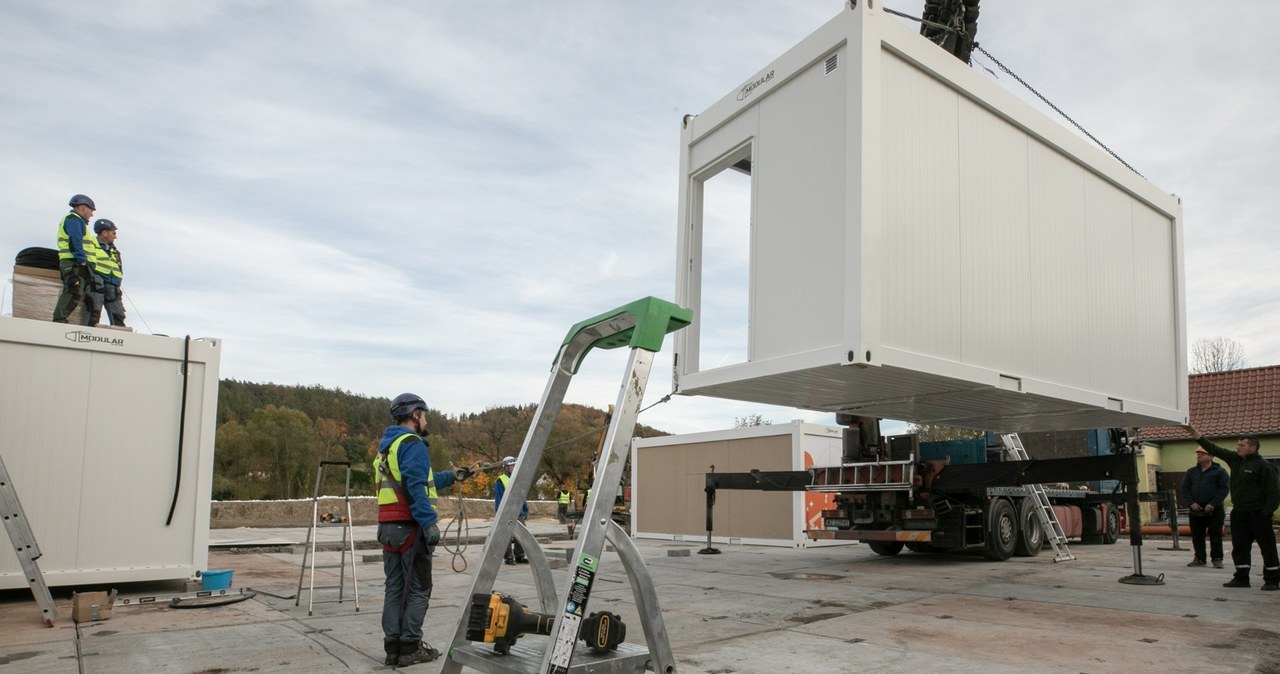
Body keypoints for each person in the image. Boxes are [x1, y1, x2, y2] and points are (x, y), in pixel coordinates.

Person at [373, 393, 471, 666]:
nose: (426, 420)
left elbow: (420, 479)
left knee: (394, 588)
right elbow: (416, 487)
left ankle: (393, 648)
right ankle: (410, 648)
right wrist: (428, 522)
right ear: (415, 415)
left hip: (388, 529)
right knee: (418, 589)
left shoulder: (387, 448)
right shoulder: (413, 443)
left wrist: (452, 476)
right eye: (424, 415)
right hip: (410, 529)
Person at [1184, 424, 1280, 590]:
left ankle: (1272, 580)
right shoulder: (1235, 460)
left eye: (1241, 445)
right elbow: (1213, 448)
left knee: (1267, 547)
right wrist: (1194, 433)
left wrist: (1266, 513)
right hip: (1240, 513)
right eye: (1237, 445)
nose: (1238, 448)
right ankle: (1242, 578)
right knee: (1240, 546)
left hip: (1258, 513)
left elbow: (1274, 493)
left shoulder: (1264, 466)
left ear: (1253, 447)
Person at [1179, 446, 1229, 568]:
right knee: (1197, 535)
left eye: (1202, 453)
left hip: (1214, 510)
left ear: (1211, 456)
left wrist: (1213, 504)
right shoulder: (1191, 472)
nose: (1199, 455)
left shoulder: (1220, 472)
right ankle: (1199, 558)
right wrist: (1191, 503)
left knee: (1215, 535)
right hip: (1196, 509)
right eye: (1198, 453)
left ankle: (1217, 558)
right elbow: (1184, 489)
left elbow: (1224, 489)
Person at [52, 194, 96, 323]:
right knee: (73, 291)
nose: (91, 215)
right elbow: (75, 240)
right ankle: (59, 319)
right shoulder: (74, 220)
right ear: (83, 208)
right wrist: (82, 260)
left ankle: (60, 318)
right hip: (75, 263)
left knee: (75, 292)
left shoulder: (76, 221)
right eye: (91, 211)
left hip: (75, 262)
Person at [83, 219, 126, 327]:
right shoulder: (90, 243)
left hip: (113, 285)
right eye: (113, 233)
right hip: (96, 282)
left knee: (118, 315)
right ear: (105, 233)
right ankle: (88, 337)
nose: (115, 237)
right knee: (94, 311)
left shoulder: (114, 250)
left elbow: (118, 267)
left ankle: (120, 340)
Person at [494, 456, 529, 564]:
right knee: (507, 537)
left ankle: (520, 556)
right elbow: (498, 498)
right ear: (506, 467)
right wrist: (500, 513)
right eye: (512, 466)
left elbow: (521, 496)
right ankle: (509, 558)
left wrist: (525, 509)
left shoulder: (518, 479)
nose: (514, 467)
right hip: (507, 513)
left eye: (515, 465)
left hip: (518, 512)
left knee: (522, 535)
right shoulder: (501, 480)